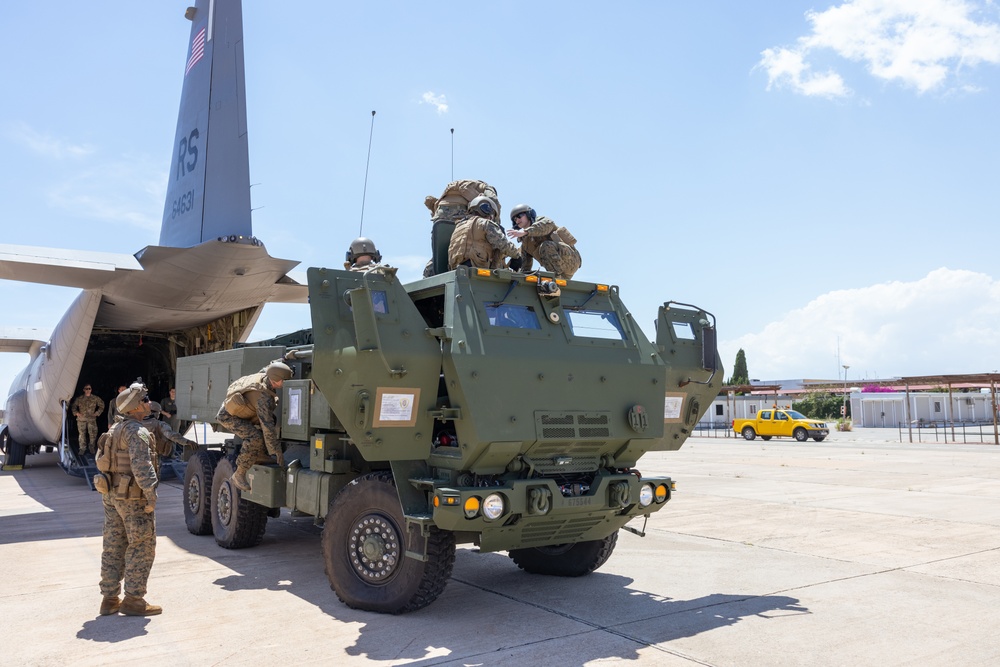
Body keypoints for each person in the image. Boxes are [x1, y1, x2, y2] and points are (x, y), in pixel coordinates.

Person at [96, 382, 161, 616]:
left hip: (111, 495)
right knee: (141, 545)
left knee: (113, 546)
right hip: (133, 498)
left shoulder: (114, 429)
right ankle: (133, 599)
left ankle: (109, 599)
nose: (147, 403)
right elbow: (142, 466)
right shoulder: (137, 431)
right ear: (134, 407)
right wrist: (151, 495)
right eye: (144, 400)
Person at [216, 361, 293, 492]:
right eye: (283, 380)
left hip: (236, 408)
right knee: (255, 437)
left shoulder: (265, 374)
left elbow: (271, 365)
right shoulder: (263, 398)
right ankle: (239, 474)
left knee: (271, 420)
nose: (284, 383)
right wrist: (276, 451)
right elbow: (267, 427)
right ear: (275, 380)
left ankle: (258, 454)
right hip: (228, 416)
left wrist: (285, 359)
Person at [423, 179, 499, 277]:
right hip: (459, 211)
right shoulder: (486, 187)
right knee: (466, 239)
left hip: (440, 215)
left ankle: (428, 274)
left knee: (443, 250)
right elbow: (493, 201)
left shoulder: (458, 184)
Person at [506, 204, 582, 280]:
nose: (517, 220)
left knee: (546, 246)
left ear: (528, 214)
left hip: (571, 260)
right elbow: (525, 266)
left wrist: (526, 232)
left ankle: (556, 277)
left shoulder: (542, 221)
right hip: (560, 270)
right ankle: (556, 278)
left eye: (520, 216)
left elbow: (547, 225)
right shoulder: (525, 243)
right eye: (515, 219)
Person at [447, 195, 521, 271]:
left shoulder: (459, 226)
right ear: (487, 210)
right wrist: (517, 255)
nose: (491, 218)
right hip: (476, 269)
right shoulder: (484, 223)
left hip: (456, 270)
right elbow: (503, 244)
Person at [144, 401, 197, 467]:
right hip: (154, 456)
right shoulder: (160, 425)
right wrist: (187, 441)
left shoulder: (134, 423)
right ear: (157, 413)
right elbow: (171, 435)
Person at [71, 384, 105, 456]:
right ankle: (82, 449)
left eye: (89, 388)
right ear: (84, 390)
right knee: (82, 435)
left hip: (91, 419)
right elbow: (73, 406)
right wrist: (76, 413)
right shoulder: (79, 399)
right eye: (86, 389)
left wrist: (97, 413)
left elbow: (102, 405)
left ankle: (91, 447)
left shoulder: (95, 398)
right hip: (81, 419)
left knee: (93, 434)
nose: (88, 390)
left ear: (91, 389)